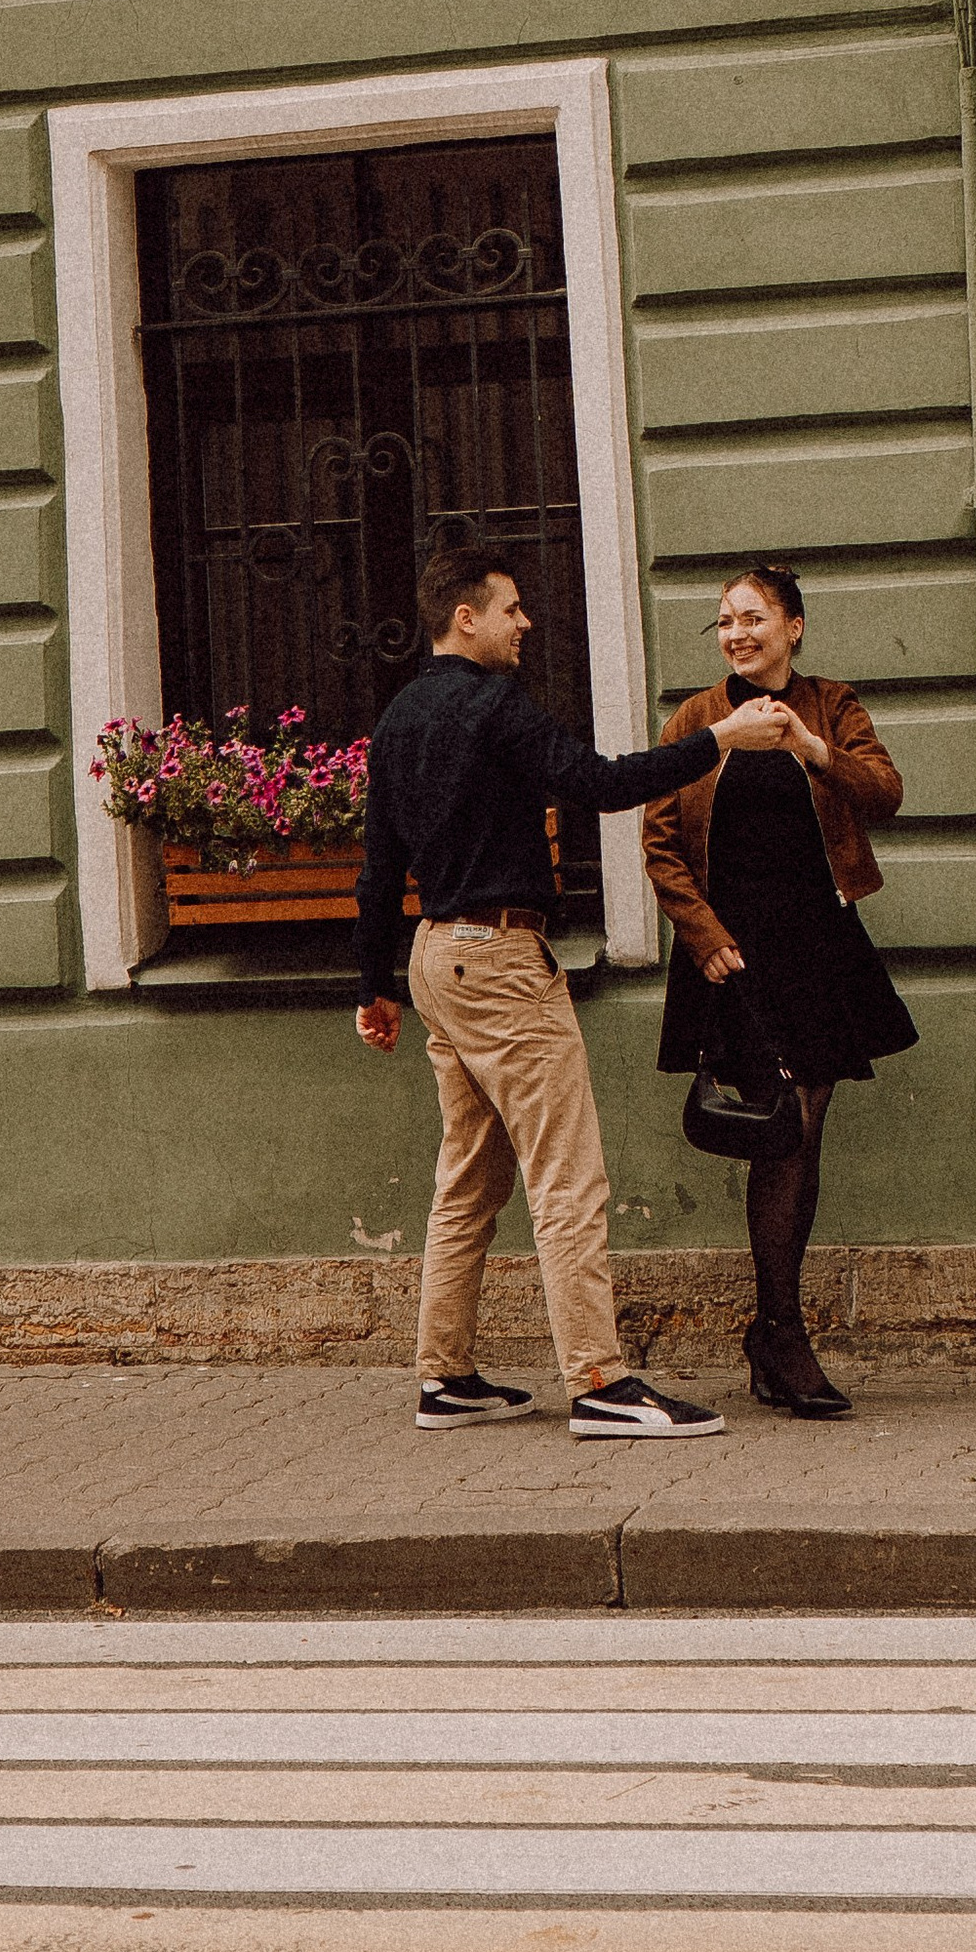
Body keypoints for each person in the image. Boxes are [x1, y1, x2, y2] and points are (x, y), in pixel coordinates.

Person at [355, 537, 797, 1439]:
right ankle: (599, 1381)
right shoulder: (492, 705)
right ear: (466, 617)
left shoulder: (399, 717)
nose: (526, 624)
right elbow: (598, 785)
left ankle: (445, 1378)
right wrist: (722, 736)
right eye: (512, 608)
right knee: (567, 1177)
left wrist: (377, 986)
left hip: (437, 959)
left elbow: (377, 868)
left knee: (469, 1179)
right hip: (503, 963)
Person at [645, 560, 917, 1420]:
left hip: (815, 941)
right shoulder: (696, 717)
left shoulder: (832, 704)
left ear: (792, 627)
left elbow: (885, 795)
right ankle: (782, 1331)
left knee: (804, 1125)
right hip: (734, 950)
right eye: (725, 622)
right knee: (779, 1129)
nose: (737, 634)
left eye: (753, 618)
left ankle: (774, 1331)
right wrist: (703, 934)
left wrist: (809, 746)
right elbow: (659, 842)